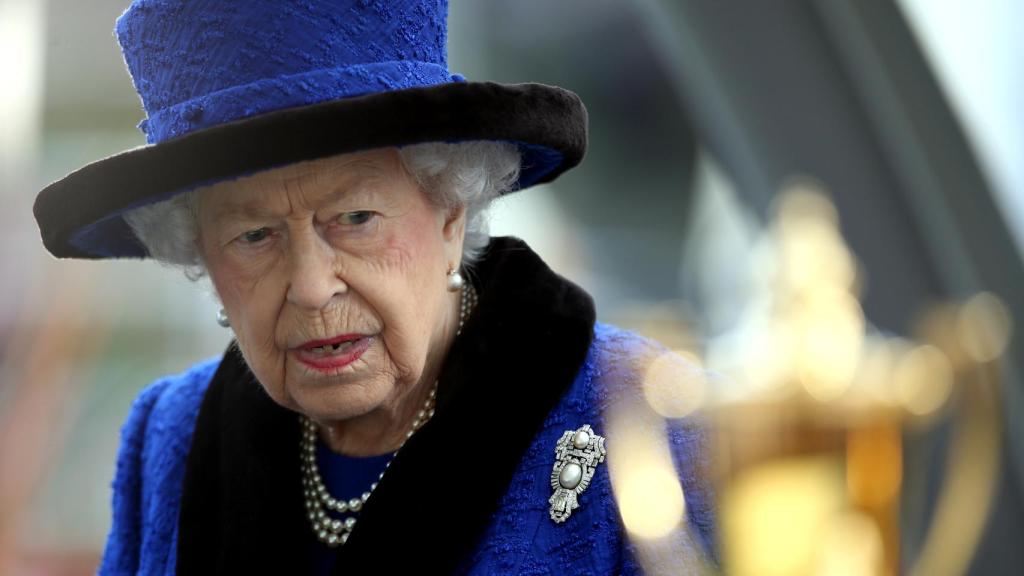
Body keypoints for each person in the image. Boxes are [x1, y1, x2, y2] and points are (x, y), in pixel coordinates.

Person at [32, 1, 714, 573]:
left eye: (354, 218)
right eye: (254, 236)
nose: (310, 286)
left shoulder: (653, 427)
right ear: (202, 258)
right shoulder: (169, 437)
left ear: (451, 211)